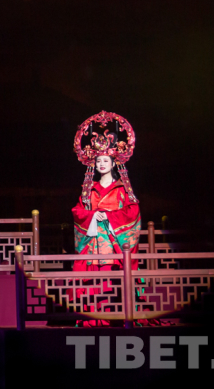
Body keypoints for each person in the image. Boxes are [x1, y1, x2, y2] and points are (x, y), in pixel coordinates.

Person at [71, 111, 141, 325]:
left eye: (105, 160)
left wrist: (109, 217)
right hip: (94, 248)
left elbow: (133, 212)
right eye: (99, 160)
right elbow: (78, 212)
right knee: (95, 284)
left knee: (115, 282)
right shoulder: (88, 190)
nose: (102, 164)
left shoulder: (121, 190)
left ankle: (120, 318)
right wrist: (93, 215)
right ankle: (95, 317)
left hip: (114, 246)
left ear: (113, 163)